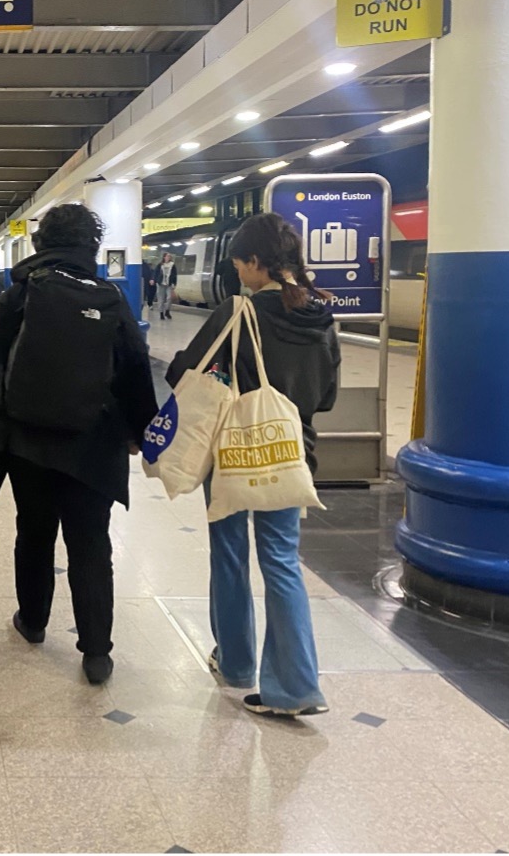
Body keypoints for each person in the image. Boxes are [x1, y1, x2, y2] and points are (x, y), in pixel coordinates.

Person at [0, 204, 158, 685]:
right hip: (93, 445)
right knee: (91, 542)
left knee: (34, 532)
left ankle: (32, 623)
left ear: (40, 245)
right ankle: (96, 653)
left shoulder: (25, 291)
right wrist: (142, 434)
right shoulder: (111, 297)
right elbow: (136, 371)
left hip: (28, 439)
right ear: (90, 248)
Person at [166, 212, 340, 718]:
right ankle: (296, 685)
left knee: (229, 551)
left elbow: (190, 371)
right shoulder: (320, 315)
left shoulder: (238, 311)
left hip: (233, 452)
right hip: (292, 453)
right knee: (282, 561)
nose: (239, 273)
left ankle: (237, 663)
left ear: (256, 263)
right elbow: (326, 396)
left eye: (242, 264)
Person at [156, 251, 178, 319]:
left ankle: (167, 311)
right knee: (161, 299)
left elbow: (175, 275)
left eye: (169, 256)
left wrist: (174, 283)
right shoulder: (160, 265)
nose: (168, 257)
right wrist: (153, 280)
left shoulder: (172, 265)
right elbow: (156, 273)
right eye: (167, 256)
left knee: (169, 298)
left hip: (169, 284)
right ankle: (161, 313)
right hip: (161, 284)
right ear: (164, 257)